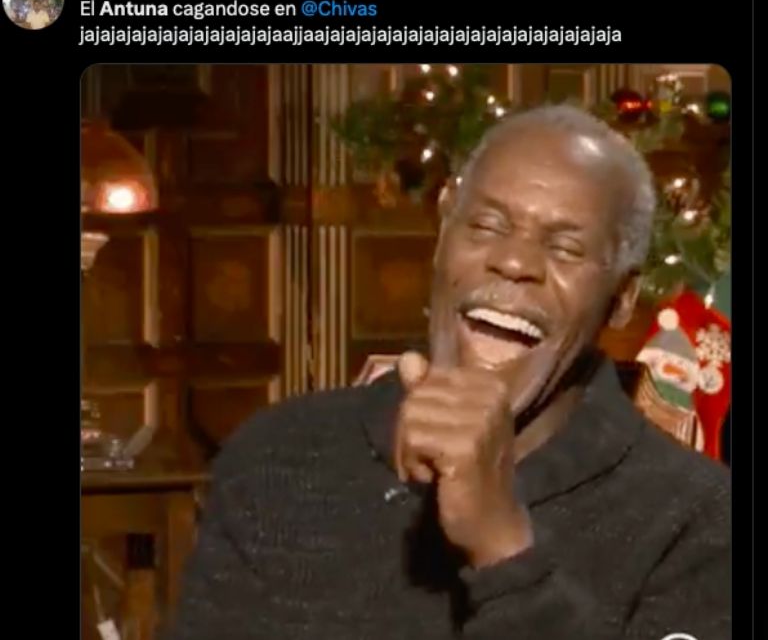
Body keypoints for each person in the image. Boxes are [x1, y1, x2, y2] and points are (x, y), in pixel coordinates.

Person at [166, 104, 731, 640]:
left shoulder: (699, 521)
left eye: (565, 249)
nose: (513, 262)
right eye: (486, 226)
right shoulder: (279, 455)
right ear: (442, 237)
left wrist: (503, 548)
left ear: (623, 299)